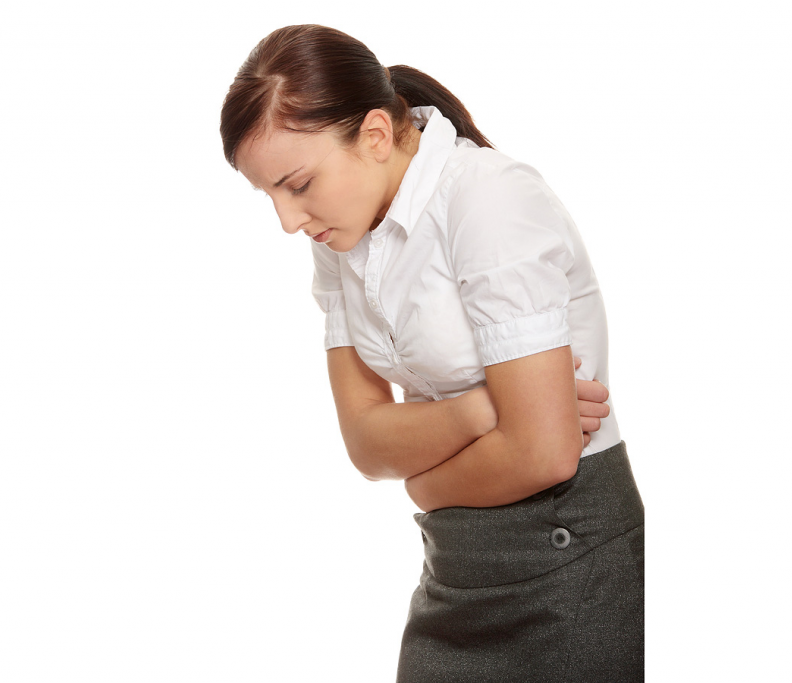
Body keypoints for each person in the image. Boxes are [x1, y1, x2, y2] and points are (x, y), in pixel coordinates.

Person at [220, 24, 645, 683]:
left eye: (297, 184)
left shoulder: (486, 197)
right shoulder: (341, 239)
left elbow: (544, 453)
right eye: (268, 194)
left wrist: (423, 484)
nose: (287, 220)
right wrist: (484, 410)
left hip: (569, 561)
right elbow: (366, 444)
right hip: (454, 568)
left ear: (375, 136)